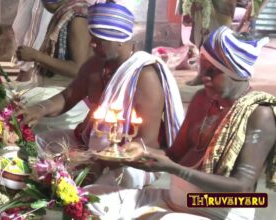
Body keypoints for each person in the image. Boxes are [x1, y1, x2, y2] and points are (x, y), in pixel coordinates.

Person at [86, 26, 276, 220]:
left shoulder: (260, 113)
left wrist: (173, 169)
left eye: (214, 71)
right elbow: (174, 155)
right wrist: (140, 155)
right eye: (202, 67)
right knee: (89, 197)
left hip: (216, 211)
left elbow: (243, 188)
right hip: (173, 201)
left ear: (238, 74)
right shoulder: (201, 99)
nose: (204, 77)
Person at [17, 2, 185, 189]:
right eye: (92, 38)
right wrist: (38, 109)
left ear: (119, 39)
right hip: (88, 141)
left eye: (99, 40)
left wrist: (101, 162)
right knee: (29, 147)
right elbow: (67, 97)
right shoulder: (96, 65)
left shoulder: (145, 77)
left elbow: (146, 140)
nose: (92, 44)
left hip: (132, 158)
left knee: (98, 191)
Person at [12, 0, 92, 134]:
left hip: (68, 99)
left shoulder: (77, 18)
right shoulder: (66, 12)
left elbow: (79, 69)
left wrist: (36, 56)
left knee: (16, 110)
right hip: (57, 94)